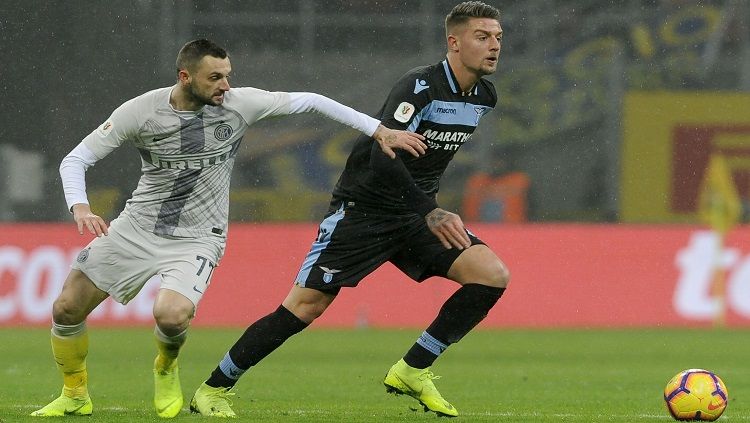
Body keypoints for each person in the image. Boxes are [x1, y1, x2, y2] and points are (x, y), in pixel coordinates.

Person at [31, 39, 426, 418]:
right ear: (185, 77)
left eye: (227, 75)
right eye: (215, 77)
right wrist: (80, 207)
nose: (225, 85)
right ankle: (74, 394)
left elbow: (313, 101)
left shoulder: (241, 104)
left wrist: (378, 130)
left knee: (170, 316)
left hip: (200, 235)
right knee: (66, 308)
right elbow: (76, 159)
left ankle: (166, 367)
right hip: (137, 228)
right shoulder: (140, 112)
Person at [190, 2, 508, 418]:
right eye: (482, 37)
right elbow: (382, 157)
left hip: (412, 213)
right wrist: (430, 209)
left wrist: (423, 208)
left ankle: (413, 369)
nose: (494, 46)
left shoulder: (485, 96)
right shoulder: (419, 88)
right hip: (365, 210)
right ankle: (213, 389)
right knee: (306, 306)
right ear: (454, 42)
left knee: (490, 276)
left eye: (498, 37)